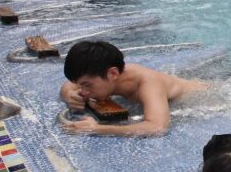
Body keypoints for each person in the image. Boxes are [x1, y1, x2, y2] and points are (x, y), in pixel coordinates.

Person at [59, 40, 207, 136]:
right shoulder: (104, 73)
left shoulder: (149, 83)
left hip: (204, 97)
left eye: (87, 85)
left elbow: (157, 127)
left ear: (113, 74)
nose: (83, 92)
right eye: (81, 85)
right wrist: (69, 94)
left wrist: (97, 129)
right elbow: (69, 85)